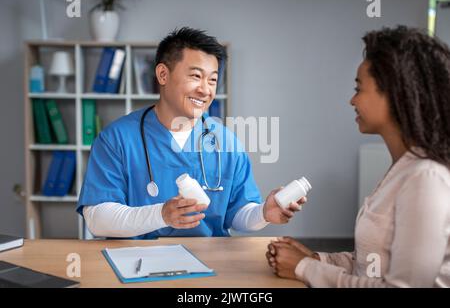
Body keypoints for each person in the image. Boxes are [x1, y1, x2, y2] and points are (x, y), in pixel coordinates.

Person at [77, 27, 305, 239]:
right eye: (195, 76)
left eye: (212, 80)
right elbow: (97, 218)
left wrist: (264, 213)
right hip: (137, 263)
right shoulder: (116, 139)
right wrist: (161, 215)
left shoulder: (226, 143)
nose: (205, 89)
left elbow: (237, 214)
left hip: (211, 264)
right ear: (163, 75)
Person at [266, 26, 450, 287]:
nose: (352, 100)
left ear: (396, 94)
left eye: (359, 88)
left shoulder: (426, 177)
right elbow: (373, 264)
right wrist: (317, 258)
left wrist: (304, 267)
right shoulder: (403, 169)